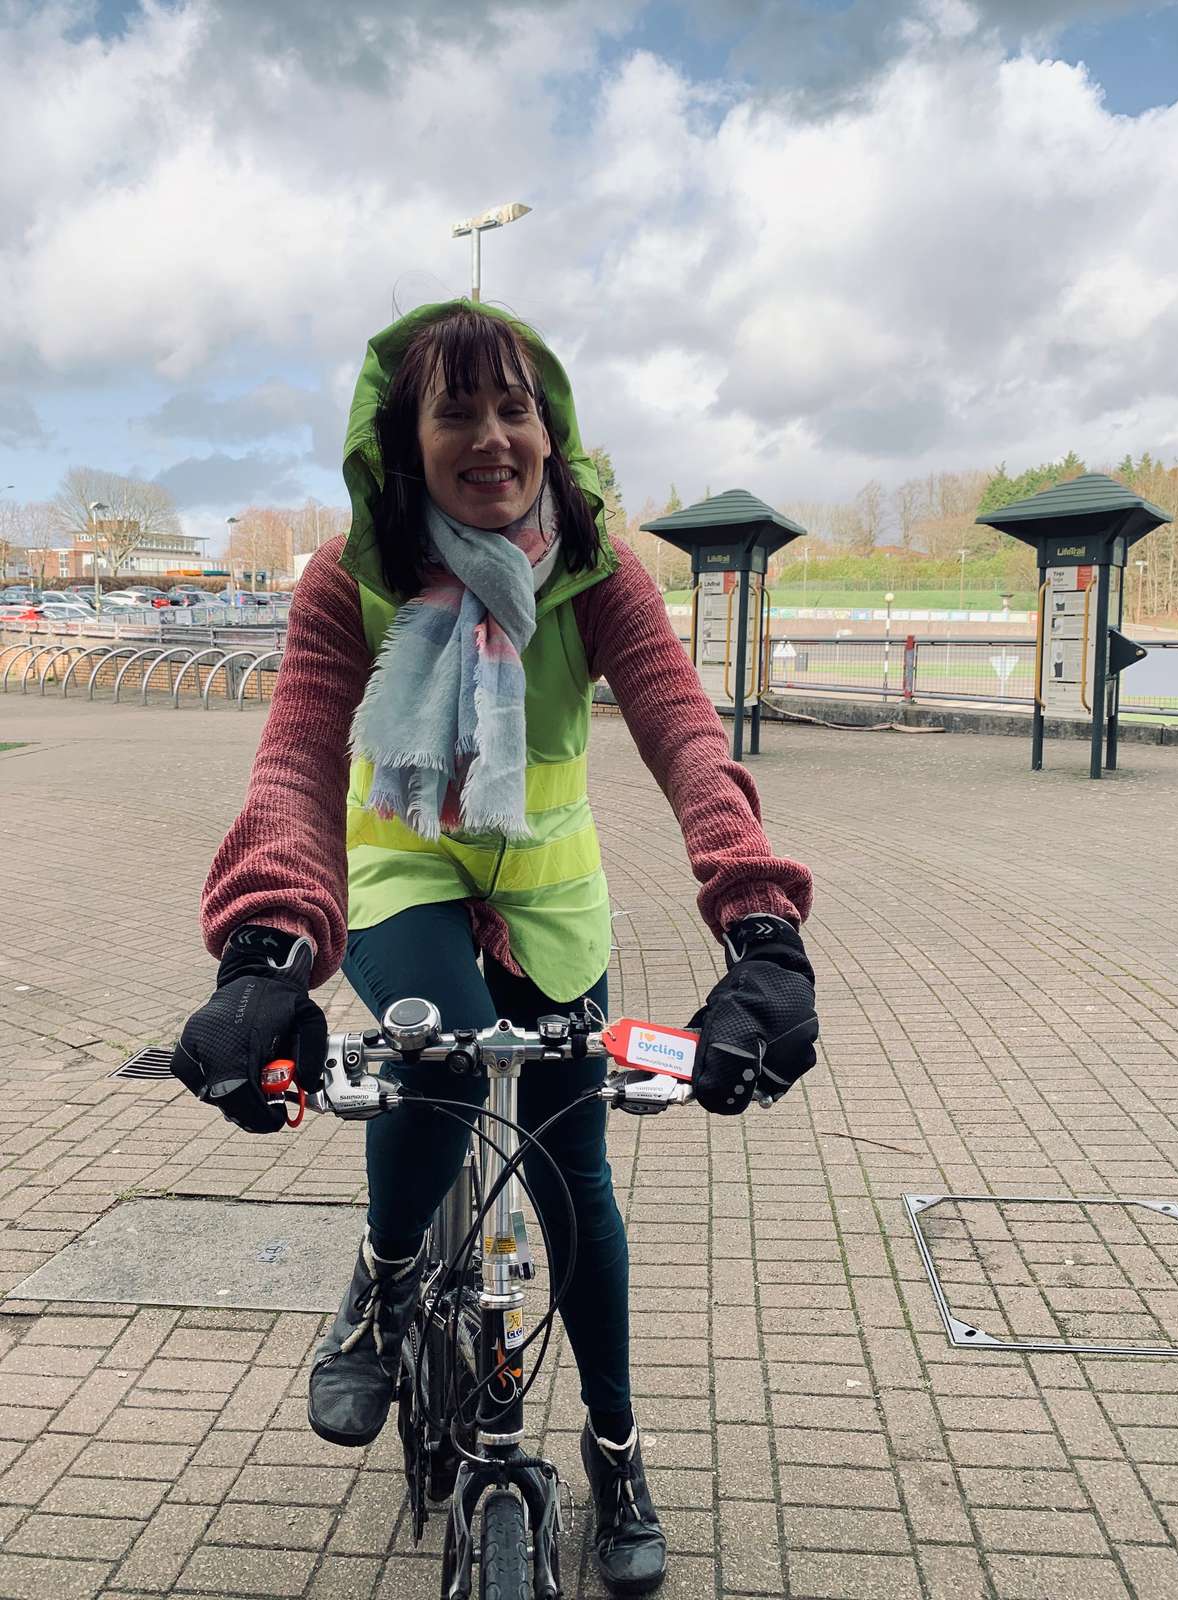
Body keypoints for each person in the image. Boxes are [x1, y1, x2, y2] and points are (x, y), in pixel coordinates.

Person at [170, 300, 819, 1598]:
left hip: (550, 877)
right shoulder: (345, 576)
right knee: (439, 1062)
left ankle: (618, 1447)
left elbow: (686, 737)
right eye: (455, 407)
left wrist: (760, 928)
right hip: (408, 862)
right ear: (405, 440)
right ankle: (386, 1278)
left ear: (550, 424)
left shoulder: (598, 569)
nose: (491, 433)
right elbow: (295, 765)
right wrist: (265, 955)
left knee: (576, 1164)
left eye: (512, 403)